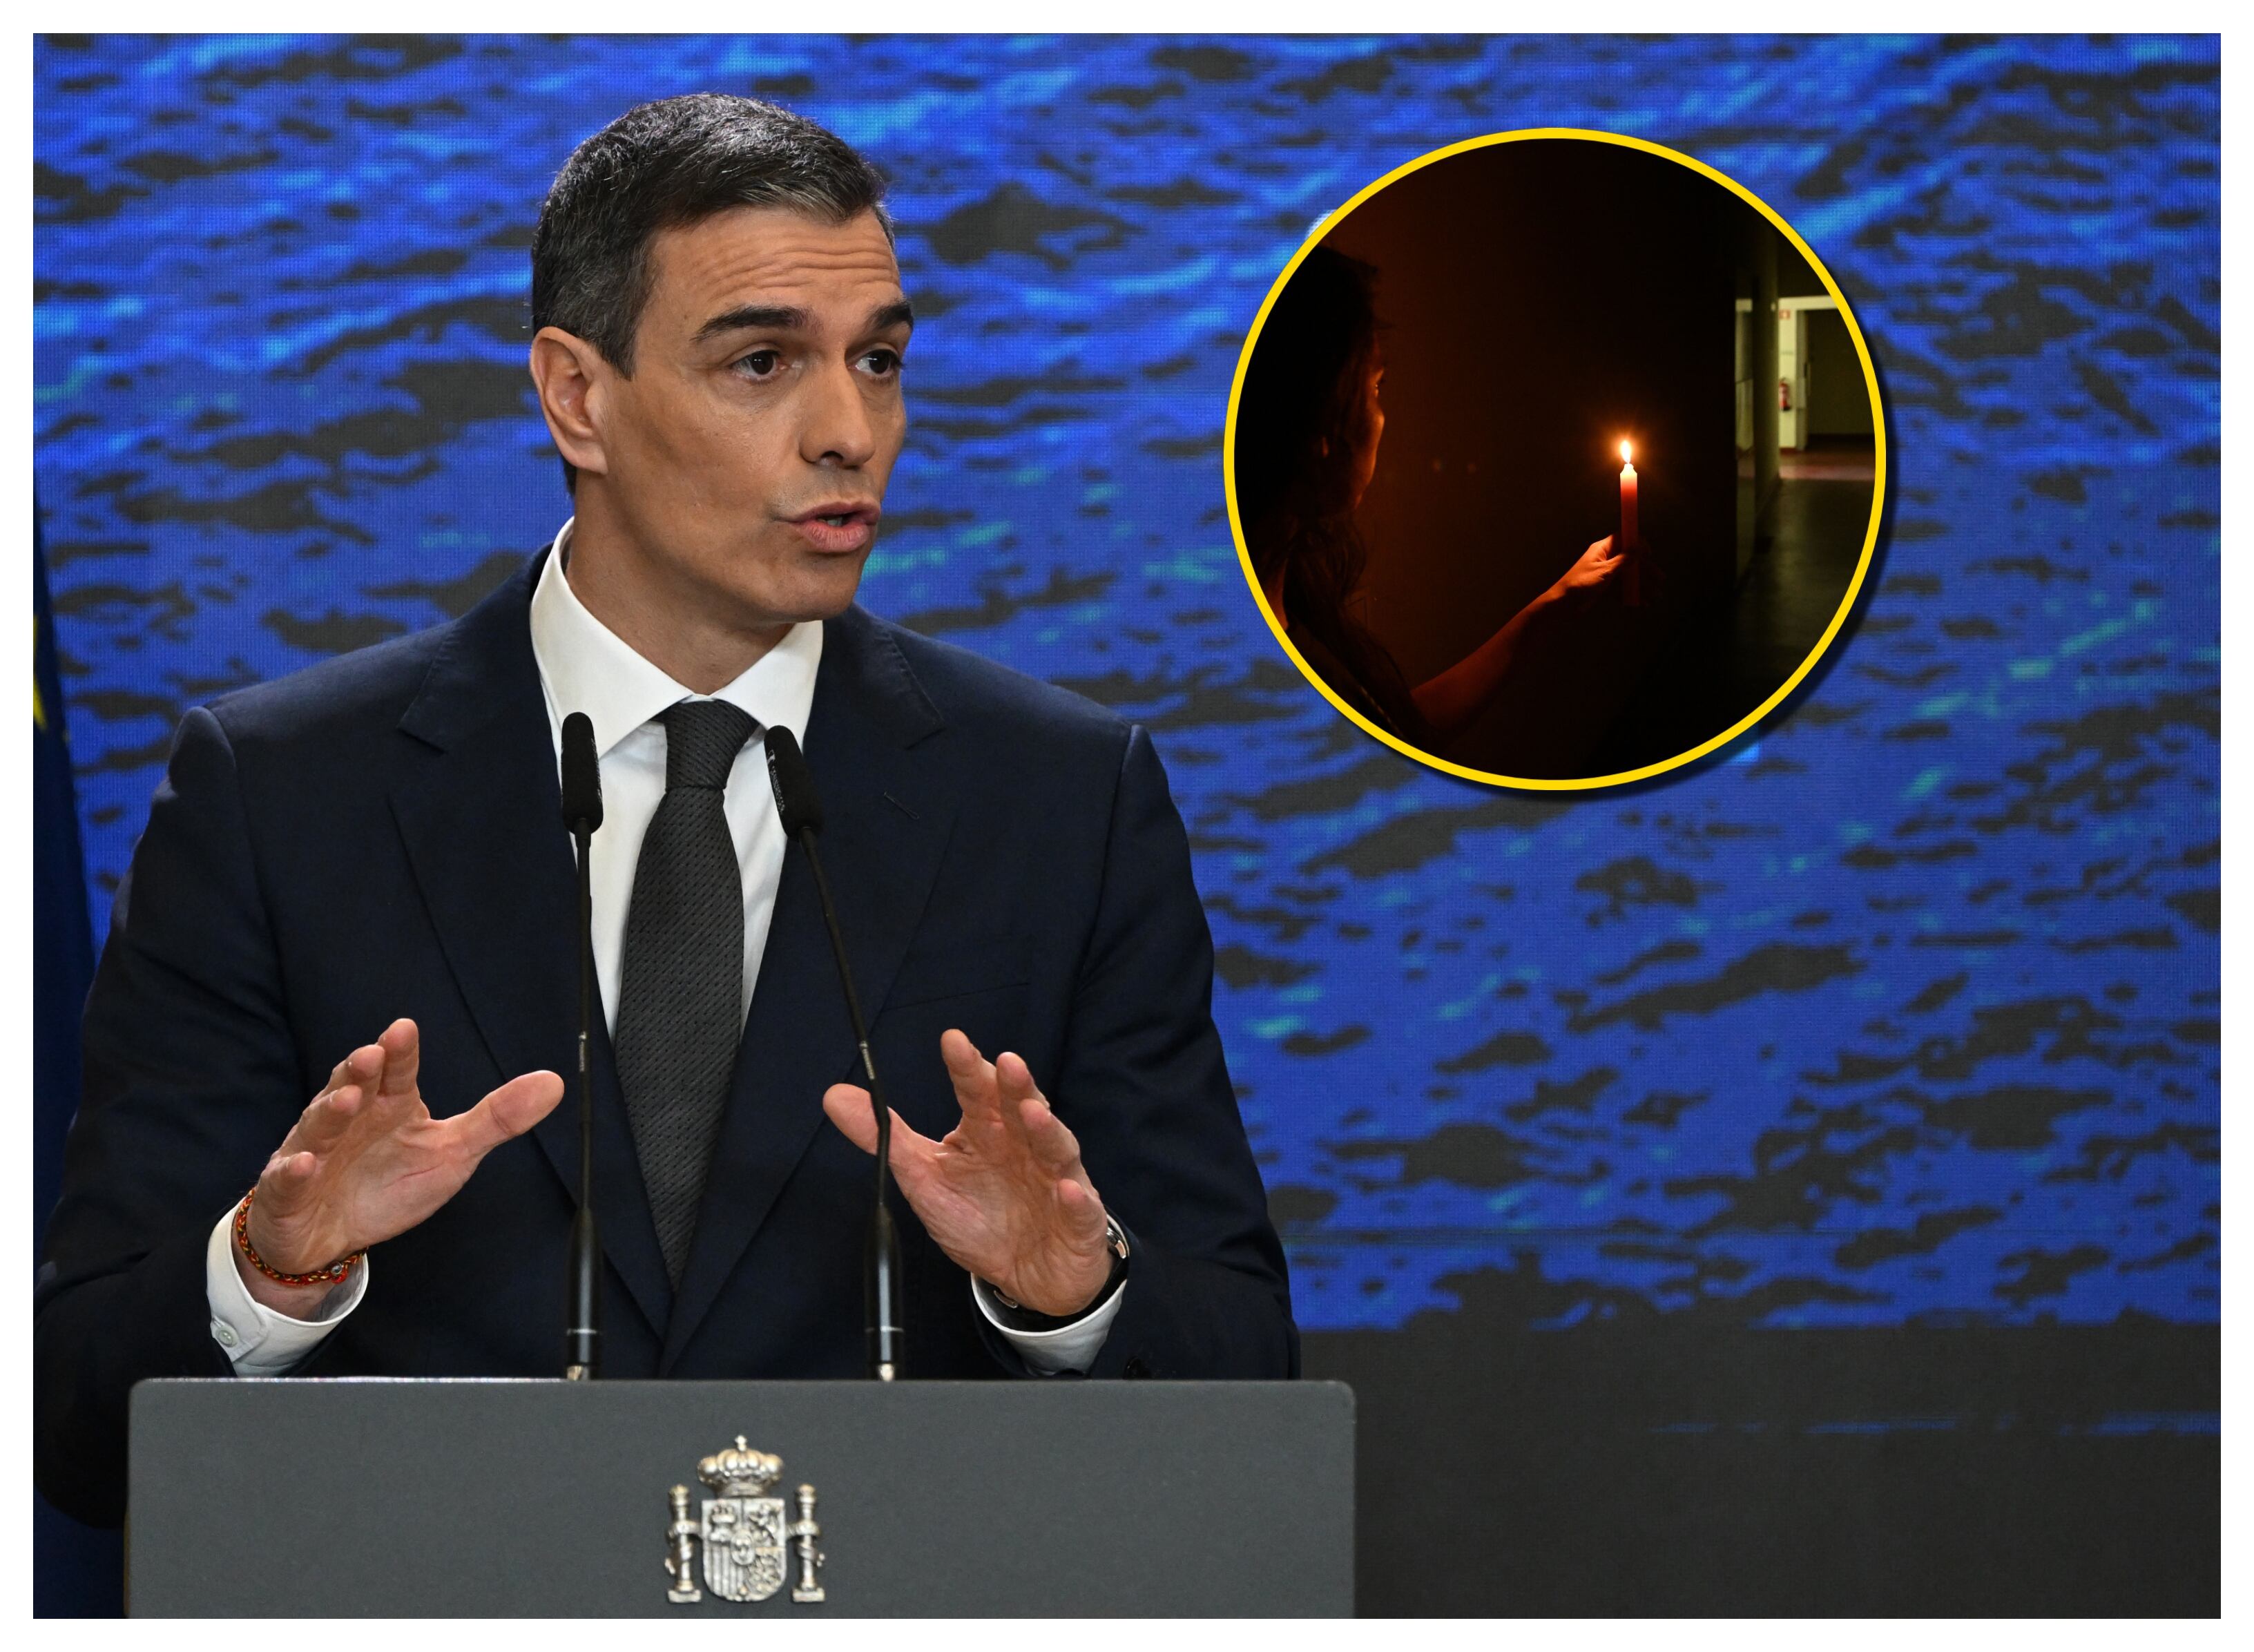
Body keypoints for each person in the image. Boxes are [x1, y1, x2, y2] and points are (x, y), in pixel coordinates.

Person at [35, 94, 1295, 1528]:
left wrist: (1070, 1293)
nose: (850, 433)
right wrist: (267, 1274)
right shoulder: (277, 794)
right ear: (578, 396)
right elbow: (78, 1419)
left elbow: (1247, 1382)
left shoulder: (1064, 799)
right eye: (764, 361)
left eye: (878, 360)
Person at [1234, 244, 1660, 754]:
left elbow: (1399, 726)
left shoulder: (1287, 599)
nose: (1383, 414)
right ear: (1319, 433)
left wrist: (1553, 606)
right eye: (1375, 387)